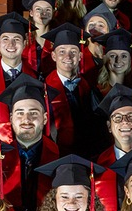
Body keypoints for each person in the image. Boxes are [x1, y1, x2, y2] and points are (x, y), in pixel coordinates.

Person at [0, 75, 60, 211]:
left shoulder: (61, 159)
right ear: (11, 118)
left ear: (45, 118)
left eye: (33, 113)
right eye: (20, 113)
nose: (26, 119)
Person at [41, 23, 96, 157]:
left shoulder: (88, 87)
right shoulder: (43, 90)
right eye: (62, 52)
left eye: (73, 52)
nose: (68, 56)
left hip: (86, 154)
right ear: (53, 56)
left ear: (80, 56)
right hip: (56, 155)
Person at [22, 0, 57, 78]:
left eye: (48, 10)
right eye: (38, 9)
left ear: (53, 13)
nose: (43, 13)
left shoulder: (58, 39)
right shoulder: (23, 39)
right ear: (31, 13)